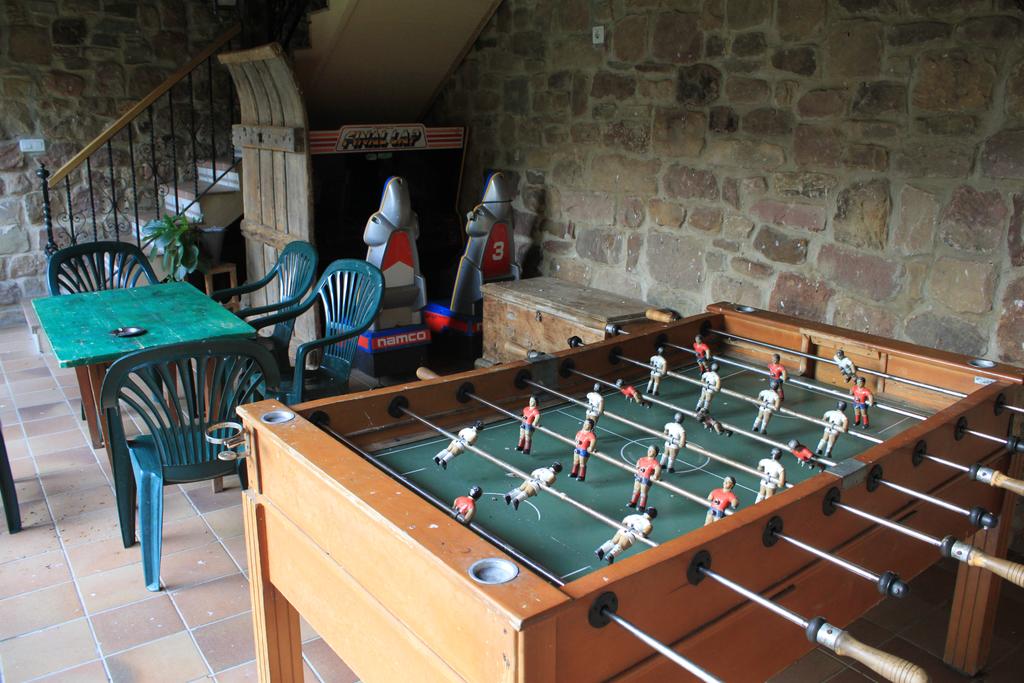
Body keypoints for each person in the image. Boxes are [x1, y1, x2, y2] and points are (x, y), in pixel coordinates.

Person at [627, 445, 662, 512]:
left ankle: (642, 506)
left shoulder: (655, 463)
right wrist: (638, 467)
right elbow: (637, 466)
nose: (649, 451)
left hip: (646, 479)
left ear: (655, 453)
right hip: (639, 476)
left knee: (643, 492)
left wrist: (655, 476)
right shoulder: (642, 459)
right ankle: (633, 502)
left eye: (651, 451)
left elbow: (657, 474)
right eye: (649, 450)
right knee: (636, 490)